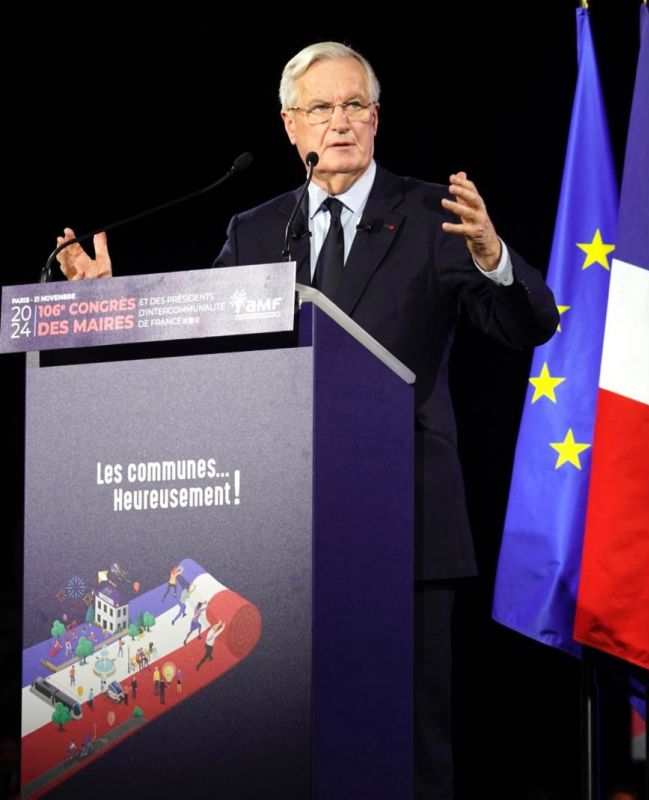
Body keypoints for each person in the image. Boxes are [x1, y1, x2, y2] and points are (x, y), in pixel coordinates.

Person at [56, 41, 558, 799]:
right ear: (291, 127)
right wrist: (108, 310)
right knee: (297, 748)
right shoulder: (256, 231)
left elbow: (527, 326)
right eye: (321, 108)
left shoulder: (432, 214)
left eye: (355, 105)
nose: (341, 122)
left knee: (407, 747)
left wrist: (493, 257)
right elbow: (204, 354)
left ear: (378, 118)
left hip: (407, 526)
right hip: (280, 536)